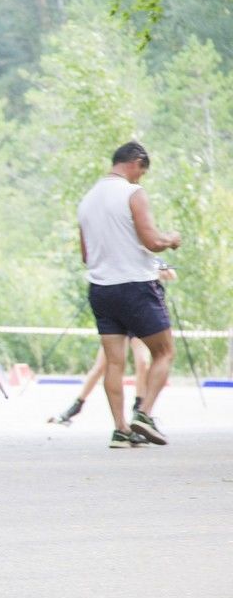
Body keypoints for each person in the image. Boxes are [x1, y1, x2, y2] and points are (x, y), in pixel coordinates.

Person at [77, 141, 180, 447]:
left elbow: (86, 255)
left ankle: (120, 429)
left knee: (113, 363)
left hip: (101, 289)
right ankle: (144, 414)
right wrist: (170, 240)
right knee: (164, 351)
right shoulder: (132, 193)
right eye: (141, 173)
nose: (140, 180)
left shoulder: (87, 200)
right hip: (135, 285)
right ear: (135, 162)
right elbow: (151, 241)